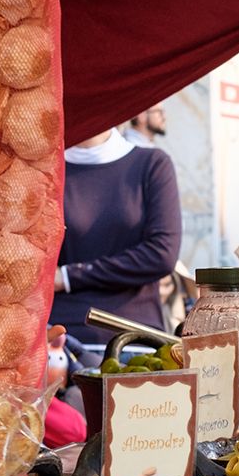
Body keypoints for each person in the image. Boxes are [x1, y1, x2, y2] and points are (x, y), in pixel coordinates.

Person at [50, 124, 181, 347]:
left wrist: (69, 276)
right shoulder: (45, 172)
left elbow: (162, 255)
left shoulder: (151, 164)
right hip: (60, 342)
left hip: (135, 338)